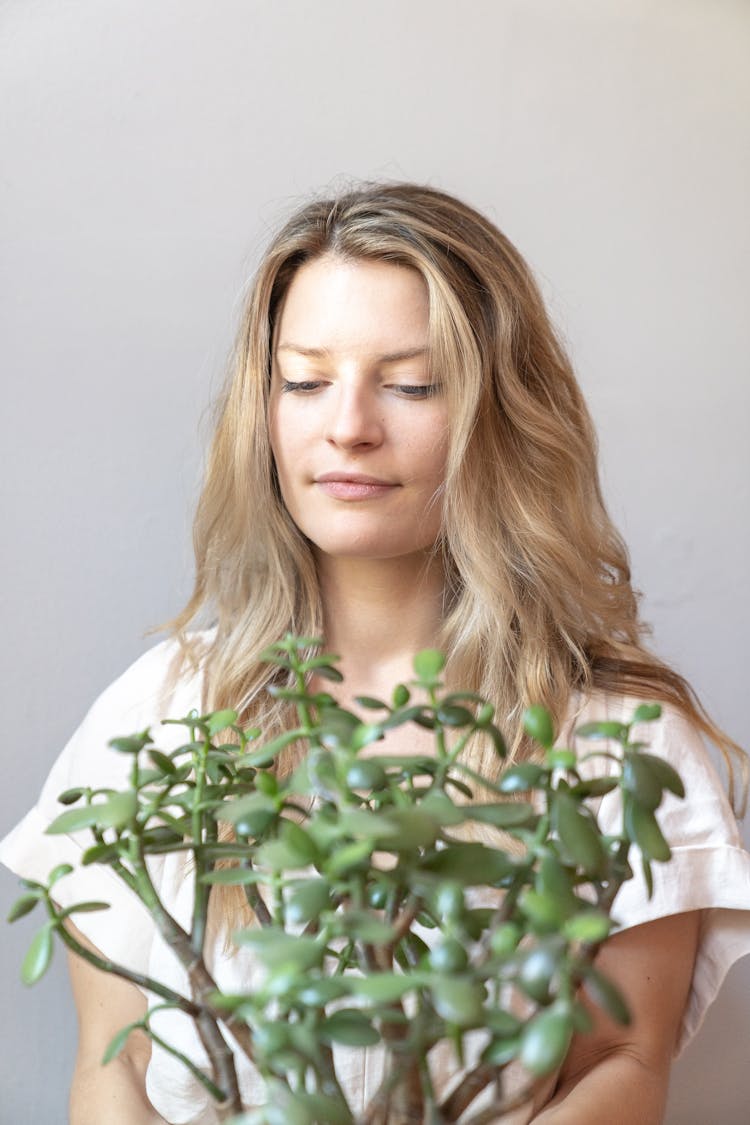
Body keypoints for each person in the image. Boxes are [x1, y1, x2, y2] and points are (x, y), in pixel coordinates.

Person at [2, 181, 749, 1125]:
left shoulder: (619, 744)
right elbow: (113, 1070)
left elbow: (622, 1064)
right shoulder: (156, 714)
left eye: (411, 384)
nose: (348, 425)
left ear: (498, 412)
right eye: (305, 379)